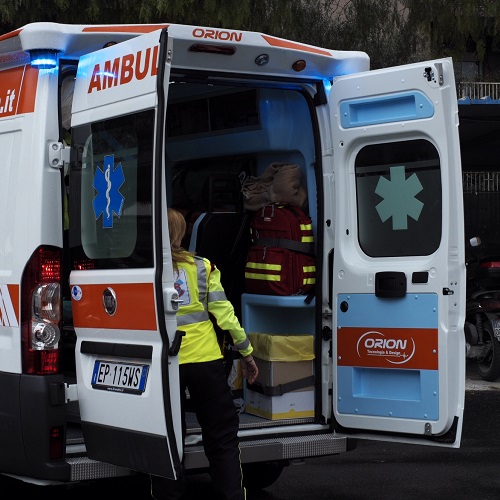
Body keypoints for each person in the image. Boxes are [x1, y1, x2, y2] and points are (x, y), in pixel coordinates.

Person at [151, 208, 259, 500]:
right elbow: (225, 316)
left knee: (168, 436)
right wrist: (246, 353)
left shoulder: (147, 270)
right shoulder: (203, 267)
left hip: (165, 364)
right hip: (206, 361)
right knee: (222, 436)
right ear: (180, 233)